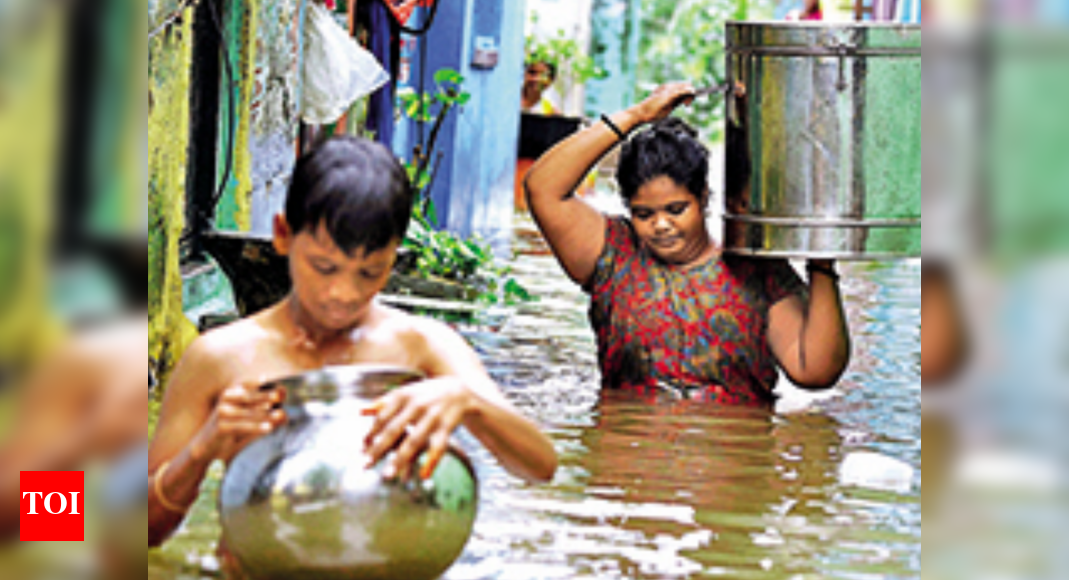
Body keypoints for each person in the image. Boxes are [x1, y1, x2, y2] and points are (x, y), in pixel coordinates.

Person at [148, 136, 557, 547]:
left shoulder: (423, 347)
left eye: (369, 273)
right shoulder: (221, 358)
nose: (342, 293)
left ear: (394, 259)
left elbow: (540, 465)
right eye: (324, 267)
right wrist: (202, 450)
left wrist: (469, 401)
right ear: (283, 234)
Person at [524, 83, 851, 406]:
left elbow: (815, 371)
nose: (661, 225)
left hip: (731, 452)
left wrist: (821, 262)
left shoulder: (755, 270)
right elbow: (542, 187)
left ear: (703, 198)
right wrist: (638, 115)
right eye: (643, 214)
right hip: (631, 451)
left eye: (676, 209)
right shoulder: (614, 256)